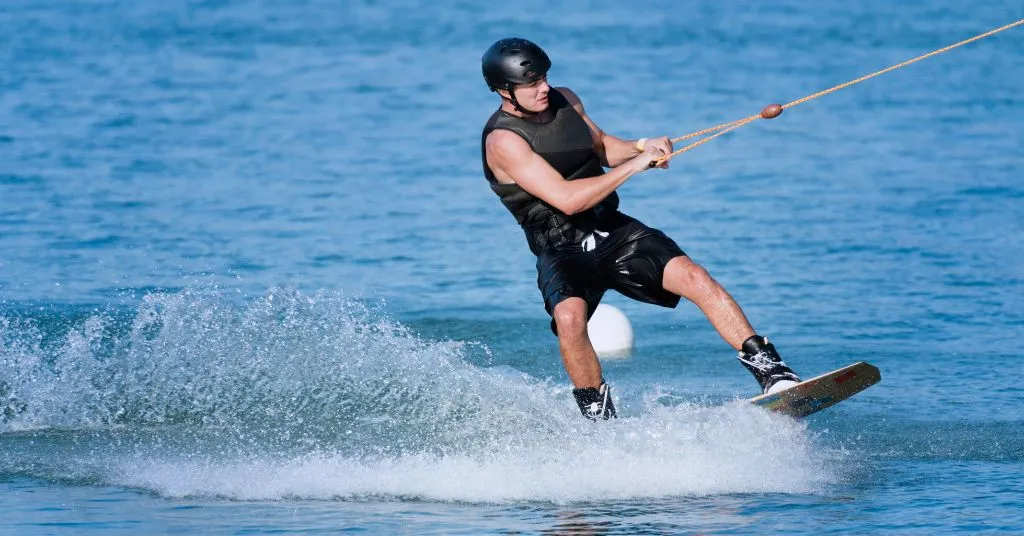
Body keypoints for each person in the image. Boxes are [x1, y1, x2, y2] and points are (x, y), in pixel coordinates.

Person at [479, 38, 800, 420]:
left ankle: (773, 373)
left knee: (694, 276)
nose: (544, 88)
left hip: (609, 227)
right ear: (504, 91)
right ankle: (599, 418)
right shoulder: (503, 141)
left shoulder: (565, 100)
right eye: (531, 84)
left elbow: (600, 147)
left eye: (545, 77)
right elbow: (566, 199)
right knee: (569, 320)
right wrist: (634, 166)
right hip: (559, 246)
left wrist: (642, 146)